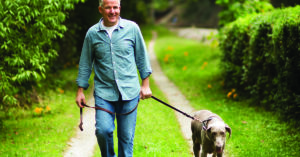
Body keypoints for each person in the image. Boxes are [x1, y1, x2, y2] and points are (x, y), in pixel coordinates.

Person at [75, 0, 152, 156]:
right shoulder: (92, 33)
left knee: (126, 139)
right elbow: (85, 63)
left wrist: (145, 85)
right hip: (104, 93)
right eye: (108, 7)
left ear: (120, 8)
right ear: (100, 9)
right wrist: (80, 90)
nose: (112, 11)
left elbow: (142, 58)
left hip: (129, 92)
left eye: (115, 7)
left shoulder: (132, 29)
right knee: (103, 131)